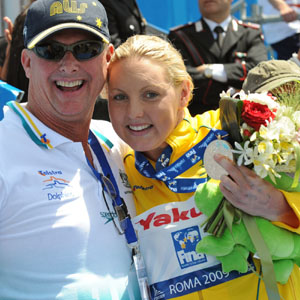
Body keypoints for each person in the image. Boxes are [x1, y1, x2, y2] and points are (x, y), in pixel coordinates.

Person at [107, 34, 300, 300]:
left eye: (151, 94)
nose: (134, 112)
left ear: (184, 92)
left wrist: (280, 207)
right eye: (119, 97)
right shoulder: (117, 167)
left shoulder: (235, 129)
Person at [0, 0, 142, 299]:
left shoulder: (121, 142)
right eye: (50, 51)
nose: (69, 64)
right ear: (26, 62)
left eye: (86, 49)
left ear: (108, 58)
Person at [167, 0, 268, 115]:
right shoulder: (181, 36)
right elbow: (178, 79)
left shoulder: (250, 33)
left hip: (244, 119)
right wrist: (235, 91)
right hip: (198, 122)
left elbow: (260, 72)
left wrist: (209, 71)